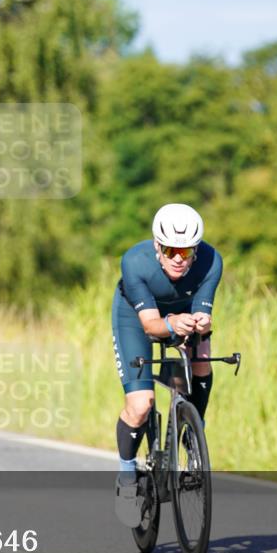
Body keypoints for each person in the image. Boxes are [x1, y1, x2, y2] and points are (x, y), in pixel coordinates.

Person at [111, 203, 222, 526]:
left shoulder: (212, 261)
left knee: (201, 358)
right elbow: (151, 326)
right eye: (171, 249)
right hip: (136, 318)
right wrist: (174, 324)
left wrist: (199, 323)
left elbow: (205, 314)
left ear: (195, 250)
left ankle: (192, 431)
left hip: (182, 313)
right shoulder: (134, 262)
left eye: (186, 252)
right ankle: (127, 479)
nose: (178, 258)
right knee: (141, 405)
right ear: (158, 246)